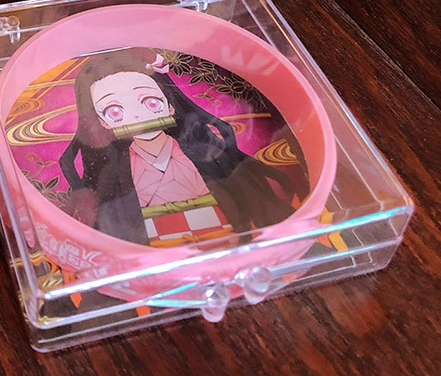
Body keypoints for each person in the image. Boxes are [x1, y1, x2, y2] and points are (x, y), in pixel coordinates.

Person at [59, 49, 296, 246]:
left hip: (226, 242)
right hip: (157, 257)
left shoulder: (203, 154)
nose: (137, 117)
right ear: (103, 122)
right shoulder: (115, 174)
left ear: (170, 105)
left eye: (150, 102)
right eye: (114, 112)